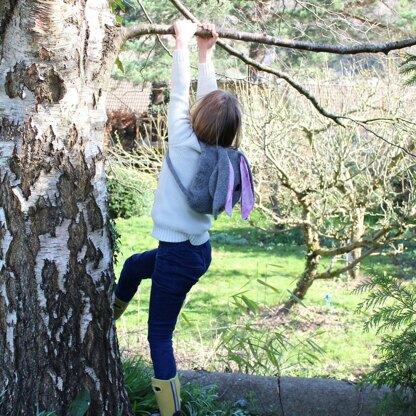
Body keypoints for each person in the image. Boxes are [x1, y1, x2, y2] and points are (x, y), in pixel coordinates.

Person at [113, 20, 252, 416]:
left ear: (199, 117)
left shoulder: (180, 138)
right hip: (196, 252)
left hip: (177, 255)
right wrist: (205, 52)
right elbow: (210, 104)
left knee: (159, 337)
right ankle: (108, 316)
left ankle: (170, 413)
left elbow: (179, 93)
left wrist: (181, 43)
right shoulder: (220, 153)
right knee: (135, 266)